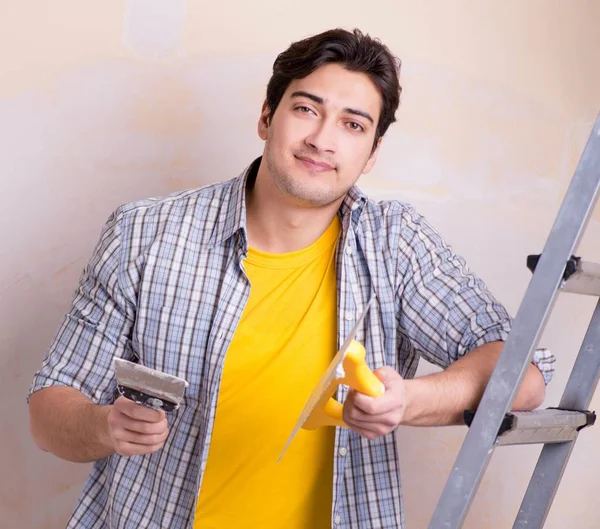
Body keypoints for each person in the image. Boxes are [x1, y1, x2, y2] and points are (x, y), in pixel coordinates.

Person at [28, 28, 555, 529]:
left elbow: (522, 374)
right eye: (306, 109)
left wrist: (408, 401)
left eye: (353, 124)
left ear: (372, 154)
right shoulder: (145, 232)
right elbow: (50, 410)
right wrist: (105, 426)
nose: (322, 140)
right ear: (266, 117)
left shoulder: (395, 243)